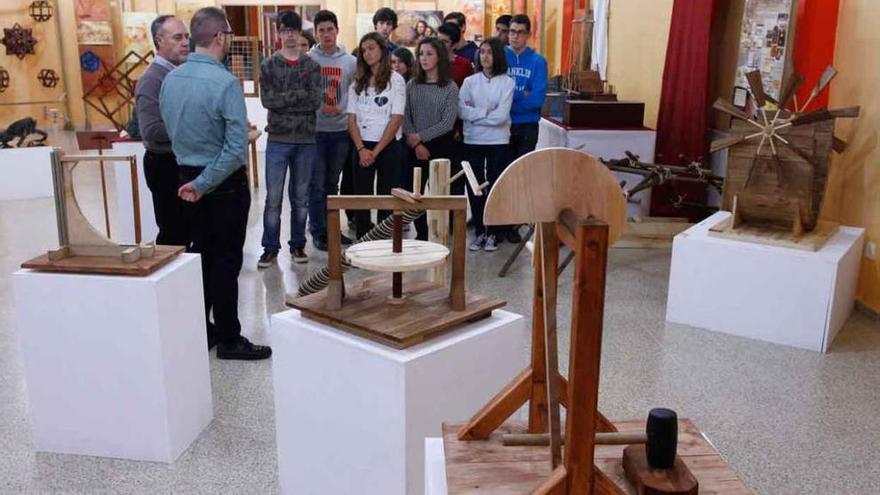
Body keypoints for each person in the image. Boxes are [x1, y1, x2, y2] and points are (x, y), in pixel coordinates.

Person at [159, 6, 271, 360]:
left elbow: (169, 130)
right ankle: (228, 338)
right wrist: (205, 182)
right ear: (220, 37)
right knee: (225, 262)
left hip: (186, 178)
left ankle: (202, 329)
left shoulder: (171, 79)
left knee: (201, 256)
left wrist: (194, 181)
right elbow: (236, 150)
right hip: (220, 185)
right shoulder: (223, 82)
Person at [258, 10, 323, 267]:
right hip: (278, 139)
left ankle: (298, 245)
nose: (290, 36)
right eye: (285, 31)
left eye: (294, 31)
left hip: (306, 139)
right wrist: (298, 96)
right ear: (278, 33)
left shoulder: (312, 66)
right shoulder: (269, 65)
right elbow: (268, 100)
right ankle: (270, 247)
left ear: (300, 33)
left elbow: (315, 101)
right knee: (273, 198)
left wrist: (285, 100)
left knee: (300, 197)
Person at [135, 15, 189, 248]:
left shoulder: (180, 74)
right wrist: (195, 127)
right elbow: (152, 131)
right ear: (159, 41)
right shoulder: (152, 79)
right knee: (174, 234)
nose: (185, 42)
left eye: (186, 36)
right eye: (178, 37)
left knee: (189, 229)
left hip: (183, 162)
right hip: (165, 166)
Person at [347, 33, 406, 238]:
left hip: (388, 145)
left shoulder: (396, 80)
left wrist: (376, 151)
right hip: (362, 145)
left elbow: (396, 118)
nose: (367, 53)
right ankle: (363, 238)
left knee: (386, 194)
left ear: (382, 50)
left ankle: (384, 238)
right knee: (361, 195)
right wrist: (362, 149)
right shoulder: (357, 82)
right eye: (363, 50)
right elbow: (351, 119)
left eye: (371, 48)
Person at [308, 10, 357, 251]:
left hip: (340, 131)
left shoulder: (350, 62)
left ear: (337, 30)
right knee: (316, 185)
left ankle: (333, 230)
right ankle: (318, 231)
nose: (326, 34)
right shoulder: (309, 60)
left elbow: (355, 94)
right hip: (315, 132)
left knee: (332, 185)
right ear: (316, 33)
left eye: (330, 29)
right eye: (321, 30)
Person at [458, 37, 514, 252]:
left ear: (497, 55)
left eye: (490, 52)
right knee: (475, 187)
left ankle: (493, 233)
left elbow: (501, 117)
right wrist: (484, 112)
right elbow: (461, 111)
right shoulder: (470, 82)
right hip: (472, 140)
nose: (485, 56)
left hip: (498, 141)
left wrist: (475, 115)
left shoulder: (507, 83)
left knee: (494, 185)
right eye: (482, 52)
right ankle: (480, 231)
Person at [403, 37, 459, 241]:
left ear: (439, 57)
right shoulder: (412, 85)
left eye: (429, 54)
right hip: (412, 145)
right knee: (414, 191)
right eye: (421, 54)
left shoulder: (450, 87)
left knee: (439, 192)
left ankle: (440, 232)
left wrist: (421, 137)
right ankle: (422, 233)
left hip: (440, 145)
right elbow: (405, 115)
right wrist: (416, 142)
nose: (424, 58)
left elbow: (447, 122)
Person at [504, 14, 547, 243]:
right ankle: (499, 220)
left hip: (528, 125)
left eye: (520, 32)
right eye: (512, 31)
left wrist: (511, 98)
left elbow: (537, 99)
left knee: (521, 175)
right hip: (503, 125)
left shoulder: (538, 61)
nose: (515, 36)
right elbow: (496, 95)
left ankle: (514, 224)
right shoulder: (501, 56)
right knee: (502, 174)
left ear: (528, 35)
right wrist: (522, 93)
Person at [437, 22, 475, 88]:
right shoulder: (430, 61)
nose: (439, 44)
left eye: (444, 41)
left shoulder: (464, 65)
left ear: (454, 45)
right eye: (438, 40)